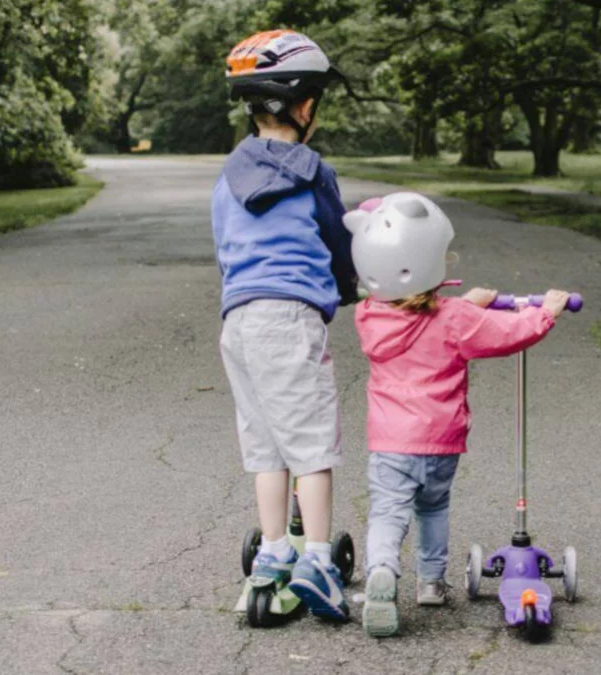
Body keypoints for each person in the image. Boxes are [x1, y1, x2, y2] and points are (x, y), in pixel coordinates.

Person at [343, 192, 570, 636]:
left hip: (390, 441)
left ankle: (382, 571)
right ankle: (430, 583)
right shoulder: (455, 319)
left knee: (388, 513)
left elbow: (417, 313)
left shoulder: (370, 316)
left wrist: (467, 302)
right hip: (440, 441)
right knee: (433, 508)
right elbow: (506, 333)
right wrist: (546, 312)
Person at [212, 29, 357, 621]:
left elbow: (224, 245)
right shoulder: (312, 170)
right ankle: (318, 560)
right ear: (304, 108)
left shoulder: (227, 176)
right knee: (312, 445)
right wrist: (350, 289)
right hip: (289, 319)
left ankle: (272, 553)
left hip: (239, 321)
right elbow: (338, 238)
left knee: (266, 446)